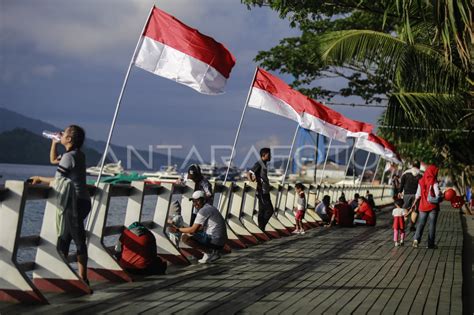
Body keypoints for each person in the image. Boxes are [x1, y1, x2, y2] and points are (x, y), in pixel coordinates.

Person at [29, 125, 91, 285]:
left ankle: (83, 279)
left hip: (74, 202)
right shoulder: (77, 154)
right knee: (65, 238)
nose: (60, 134)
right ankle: (66, 276)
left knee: (76, 239)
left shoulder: (69, 157)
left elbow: (58, 180)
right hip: (83, 201)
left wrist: (39, 178)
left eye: (63, 133)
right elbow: (53, 160)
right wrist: (54, 143)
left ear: (69, 139)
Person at [169, 191, 228, 263]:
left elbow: (193, 230)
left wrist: (178, 230)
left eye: (198, 201)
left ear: (204, 200)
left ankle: (210, 252)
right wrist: (184, 229)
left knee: (185, 238)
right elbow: (198, 228)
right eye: (193, 201)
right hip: (221, 241)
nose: (195, 203)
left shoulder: (203, 211)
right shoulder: (210, 208)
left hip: (215, 241)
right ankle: (212, 252)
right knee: (191, 233)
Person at [411, 165, 442, 249]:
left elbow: (418, 195)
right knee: (432, 225)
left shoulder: (421, 180)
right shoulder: (434, 181)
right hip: (433, 206)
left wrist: (414, 203)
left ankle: (416, 240)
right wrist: (441, 194)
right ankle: (430, 244)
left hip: (423, 206)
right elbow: (437, 194)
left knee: (421, 223)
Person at [248, 148, 274, 231]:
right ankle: (261, 228)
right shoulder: (259, 163)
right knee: (269, 210)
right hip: (262, 191)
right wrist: (253, 182)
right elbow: (249, 173)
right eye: (269, 155)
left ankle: (261, 229)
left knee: (262, 210)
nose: (271, 156)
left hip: (265, 190)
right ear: (264, 155)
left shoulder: (264, 163)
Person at [399, 160, 422, 231]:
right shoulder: (421, 174)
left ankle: (403, 225)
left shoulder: (406, 173)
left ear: (412, 165)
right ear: (419, 166)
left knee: (405, 208)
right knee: (415, 210)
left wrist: (400, 192)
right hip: (417, 195)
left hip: (407, 194)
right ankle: (412, 226)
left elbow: (402, 183)